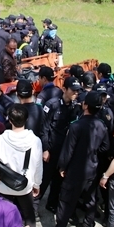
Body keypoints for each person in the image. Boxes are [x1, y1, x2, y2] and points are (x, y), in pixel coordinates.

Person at [47, 91, 110, 227]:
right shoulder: (101, 125)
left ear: (85, 105)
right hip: (92, 168)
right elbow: (105, 147)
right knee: (90, 198)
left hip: (76, 169)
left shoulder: (76, 126)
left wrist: (62, 166)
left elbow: (68, 150)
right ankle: (88, 225)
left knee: (66, 200)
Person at [0, 104, 43, 227]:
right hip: (25, 186)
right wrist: (37, 183)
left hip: (4, 186)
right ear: (26, 119)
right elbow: (38, 166)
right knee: (29, 215)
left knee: (4, 215)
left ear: (10, 120)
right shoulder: (35, 141)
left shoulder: (0, 140)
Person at [35, 77, 80, 216]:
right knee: (44, 179)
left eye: (77, 91)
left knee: (58, 180)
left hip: (64, 150)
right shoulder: (52, 105)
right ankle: (34, 208)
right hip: (51, 148)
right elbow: (44, 128)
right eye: (73, 91)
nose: (75, 94)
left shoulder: (75, 107)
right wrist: (46, 149)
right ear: (64, 89)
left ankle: (52, 204)